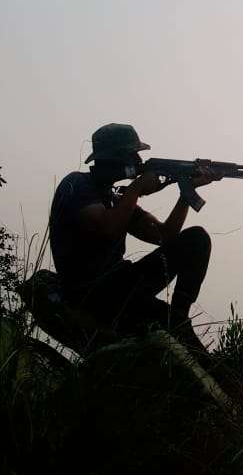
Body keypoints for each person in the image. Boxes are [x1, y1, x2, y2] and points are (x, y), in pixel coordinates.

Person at [49, 123, 219, 352]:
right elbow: (107, 227)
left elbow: (165, 236)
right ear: (116, 158)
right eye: (133, 155)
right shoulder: (78, 184)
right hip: (92, 293)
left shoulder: (115, 196)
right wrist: (136, 188)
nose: (139, 161)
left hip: (120, 284)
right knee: (166, 325)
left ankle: (179, 317)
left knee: (196, 240)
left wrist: (186, 192)